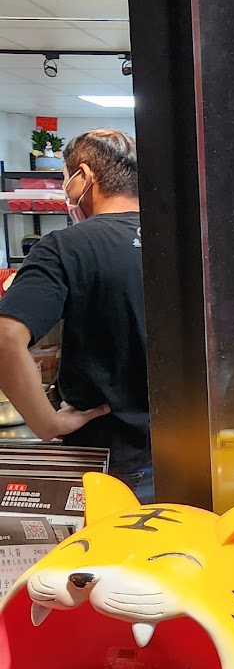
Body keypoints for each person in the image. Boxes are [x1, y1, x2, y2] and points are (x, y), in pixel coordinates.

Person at [0, 129, 152, 500]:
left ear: (83, 176)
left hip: (109, 460)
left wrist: (47, 423)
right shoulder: (180, 239)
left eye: (65, 179)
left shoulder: (66, 247)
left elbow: (5, 337)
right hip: (194, 449)